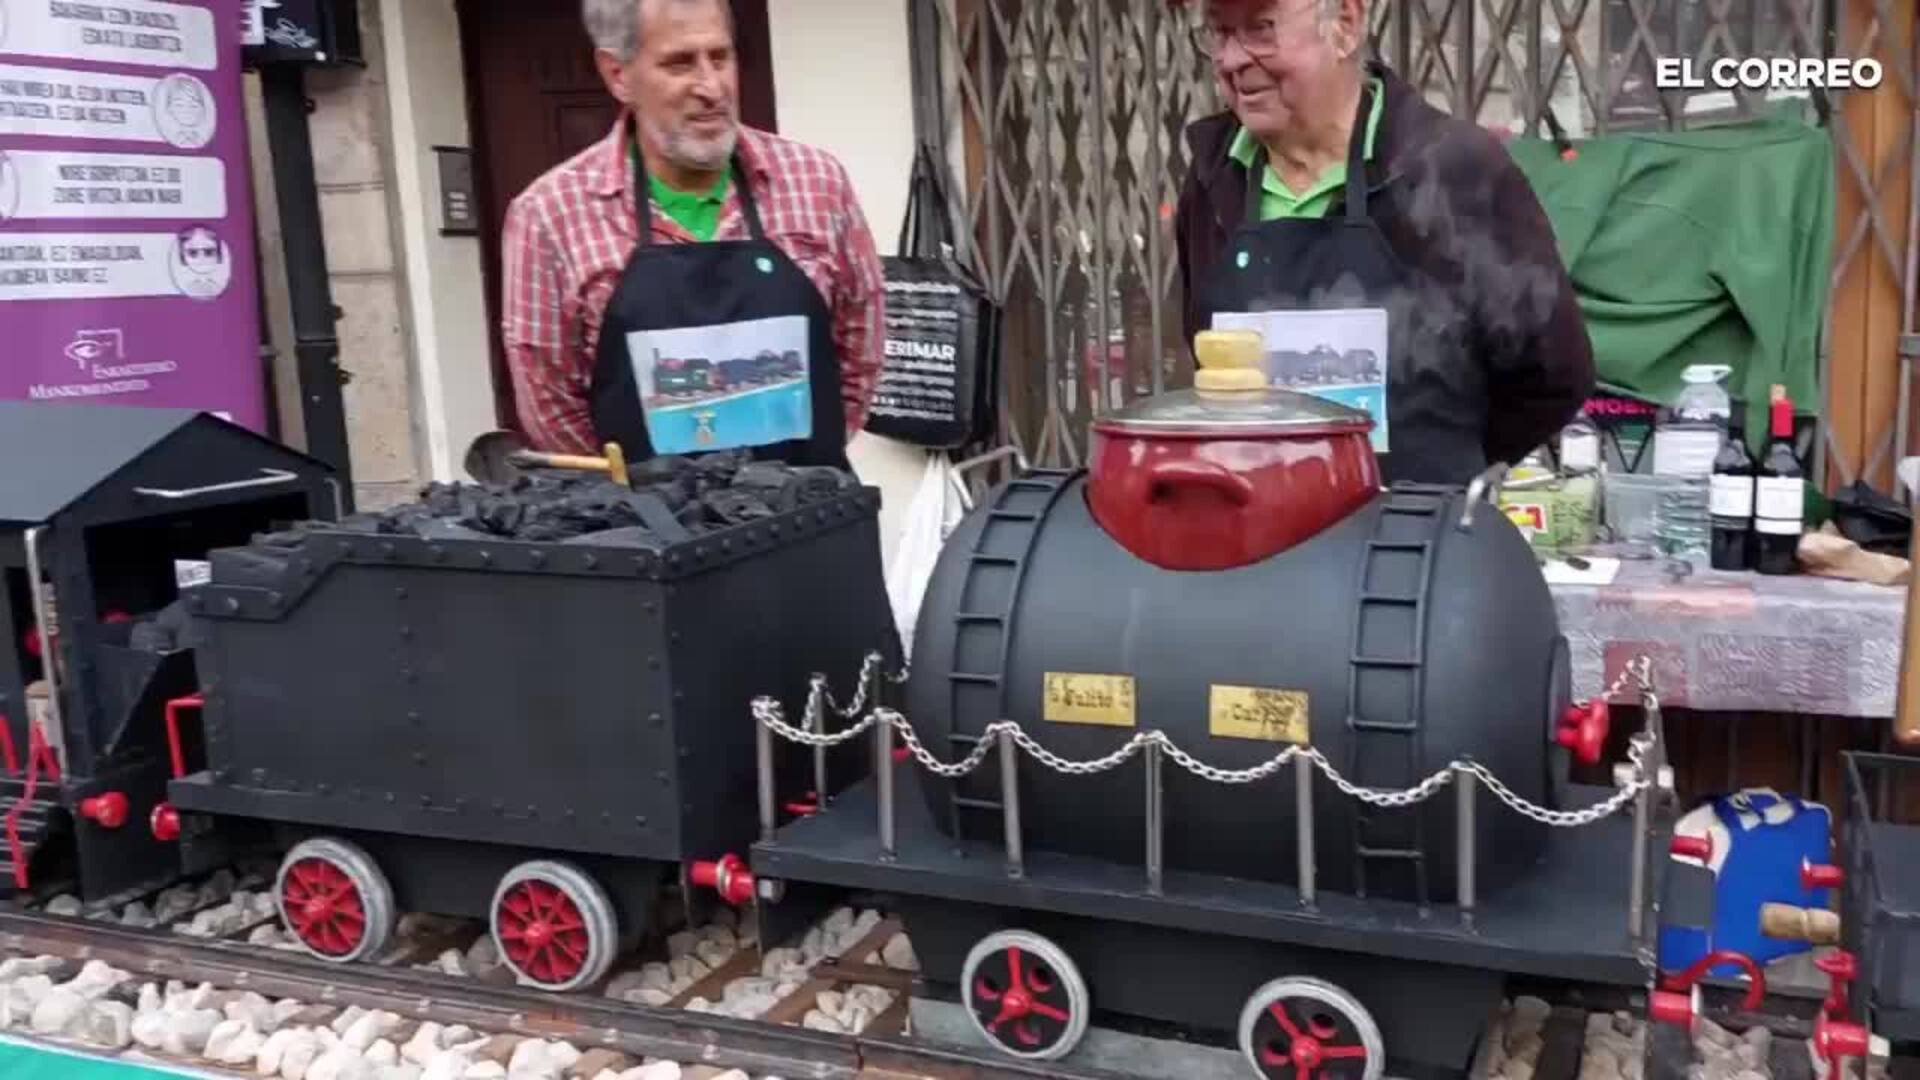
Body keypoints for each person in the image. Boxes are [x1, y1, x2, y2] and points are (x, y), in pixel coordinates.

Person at [1174, 0, 1594, 486]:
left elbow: (1553, 374)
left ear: (1345, 25)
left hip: (1414, 526)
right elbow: (1204, 345)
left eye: (1261, 30)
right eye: (1220, 33)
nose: (1231, 59)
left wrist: (1442, 465)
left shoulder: (1454, 170)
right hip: (1259, 520)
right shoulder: (1214, 178)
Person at [501, 0, 885, 468]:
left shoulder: (817, 182)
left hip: (810, 504)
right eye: (680, 63)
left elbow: (860, 351)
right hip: (647, 512)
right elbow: (551, 406)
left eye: (720, 57)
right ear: (618, 75)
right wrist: (638, 494)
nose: (712, 87)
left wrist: (806, 470)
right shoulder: (549, 216)